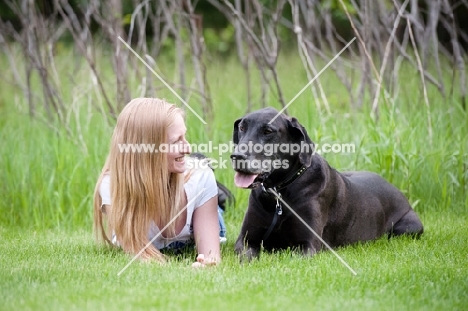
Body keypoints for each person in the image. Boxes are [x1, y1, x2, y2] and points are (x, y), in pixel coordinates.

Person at [93, 98, 221, 267]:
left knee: (213, 205)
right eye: (176, 141)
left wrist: (206, 264)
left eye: (185, 136)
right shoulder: (112, 186)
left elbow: (212, 257)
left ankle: (219, 200)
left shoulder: (202, 177)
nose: (188, 148)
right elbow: (140, 255)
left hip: (198, 203)